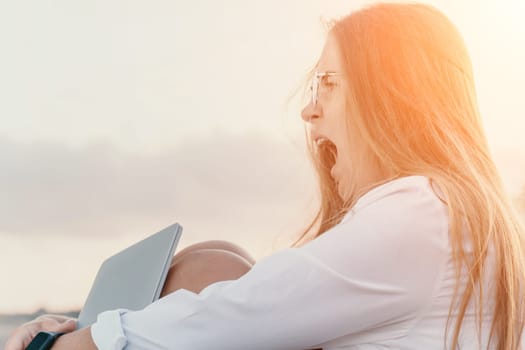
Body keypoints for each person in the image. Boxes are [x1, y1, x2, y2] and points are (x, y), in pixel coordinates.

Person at [6, 2, 525, 349]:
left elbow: (234, 313)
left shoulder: (422, 213)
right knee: (216, 263)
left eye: (327, 82)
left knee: (205, 274)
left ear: (391, 96)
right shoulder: (453, 214)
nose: (310, 111)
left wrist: (72, 343)